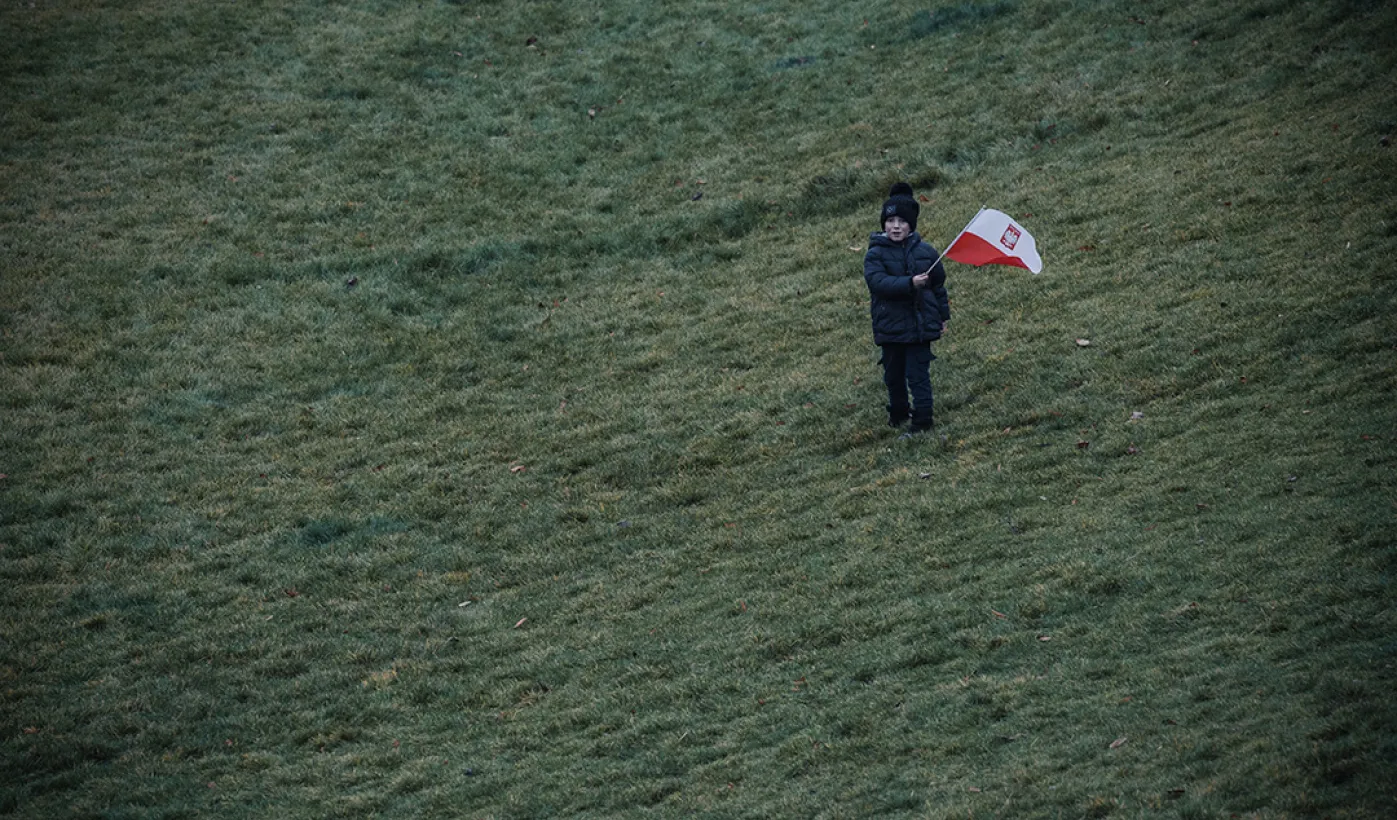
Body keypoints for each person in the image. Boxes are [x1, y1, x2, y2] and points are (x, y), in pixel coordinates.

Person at [863, 182, 949, 436]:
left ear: (911, 224)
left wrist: (943, 317)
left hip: (919, 326)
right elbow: (878, 283)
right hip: (890, 326)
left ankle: (923, 420)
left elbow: (938, 287)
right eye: (890, 221)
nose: (896, 226)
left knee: (918, 374)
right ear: (883, 224)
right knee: (893, 375)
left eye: (902, 221)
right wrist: (910, 283)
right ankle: (898, 413)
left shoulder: (926, 253)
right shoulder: (875, 254)